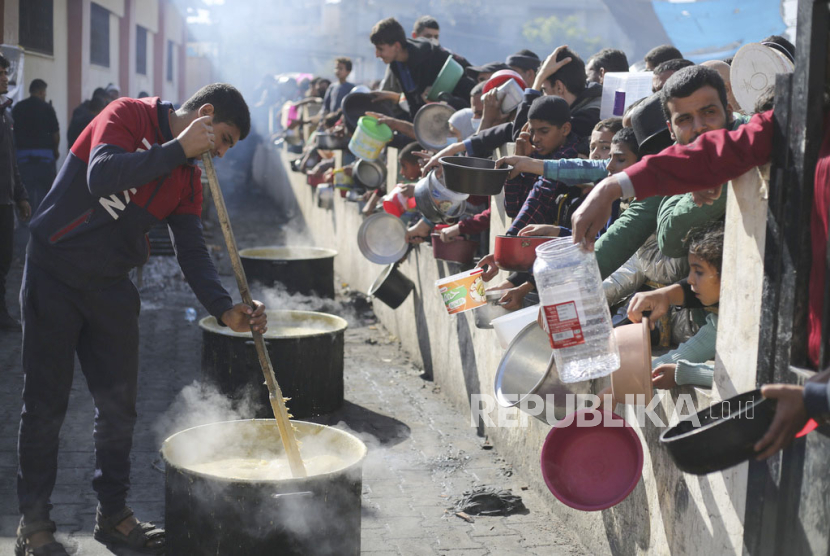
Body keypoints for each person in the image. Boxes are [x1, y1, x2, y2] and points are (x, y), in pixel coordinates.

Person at [16, 83, 267, 555]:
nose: (223, 153)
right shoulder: (127, 114)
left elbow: (192, 251)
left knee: (118, 409)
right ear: (206, 115)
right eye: (226, 139)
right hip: (54, 273)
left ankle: (112, 515)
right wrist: (176, 149)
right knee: (44, 408)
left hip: (110, 287)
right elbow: (102, 176)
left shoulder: (187, 179)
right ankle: (35, 526)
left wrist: (223, 307)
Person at [637, 221, 724, 390]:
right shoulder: (720, 323)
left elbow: (753, 379)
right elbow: (685, 354)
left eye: (698, 271)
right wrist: (627, 381)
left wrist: (685, 374)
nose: (690, 280)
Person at [370, 17, 474, 118]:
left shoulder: (426, 56)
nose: (377, 54)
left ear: (397, 46)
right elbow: (413, 103)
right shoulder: (396, 64)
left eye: (380, 49)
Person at [0, 55, 30, 329]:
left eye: (5, 72)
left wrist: (21, 195)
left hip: (5, 202)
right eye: (0, 73)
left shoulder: (7, 115)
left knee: (5, 258)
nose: (5, 77)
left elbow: (12, 161)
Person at [13, 79, 60, 213]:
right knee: (46, 198)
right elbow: (55, 134)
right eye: (44, 93)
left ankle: (25, 225)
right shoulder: (48, 108)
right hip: (45, 161)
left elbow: (13, 133)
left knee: (24, 196)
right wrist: (55, 151)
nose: (45, 95)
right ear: (40, 92)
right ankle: (42, 226)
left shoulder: (18, 107)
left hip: (23, 160)